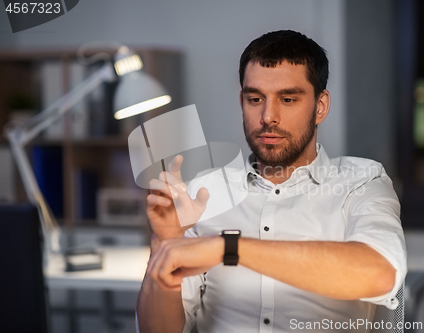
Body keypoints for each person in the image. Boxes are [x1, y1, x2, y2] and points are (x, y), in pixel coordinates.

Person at [136, 30, 406, 333]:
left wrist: (225, 247)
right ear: (242, 102)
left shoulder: (361, 181)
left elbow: (381, 274)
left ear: (320, 106)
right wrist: (165, 242)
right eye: (255, 99)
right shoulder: (205, 193)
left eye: (288, 99)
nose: (268, 116)